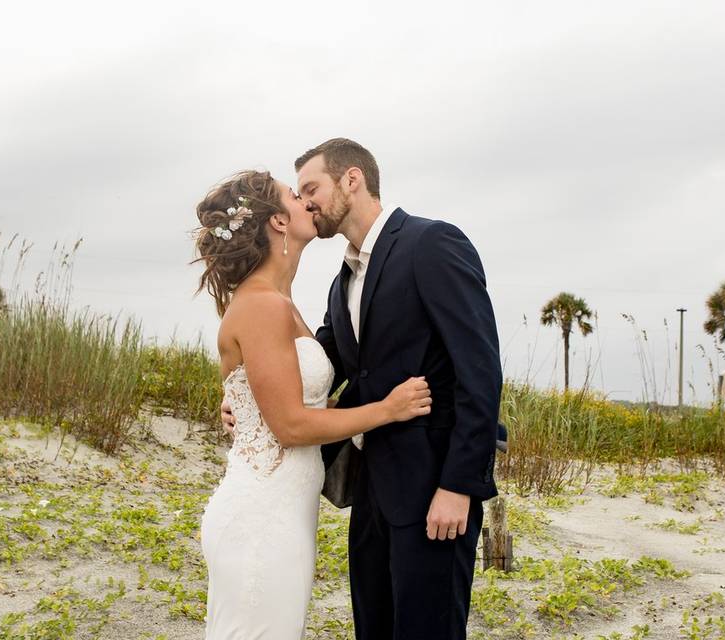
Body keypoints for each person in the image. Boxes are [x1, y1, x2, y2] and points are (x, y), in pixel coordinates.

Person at [225, 139, 503, 639]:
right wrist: (243, 400)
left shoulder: (432, 243)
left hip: (435, 493)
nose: (306, 202)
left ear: (352, 180)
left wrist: (460, 485)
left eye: (312, 189)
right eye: (300, 194)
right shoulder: (343, 280)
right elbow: (314, 366)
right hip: (372, 497)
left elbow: (479, 371)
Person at [193, 169, 432, 640]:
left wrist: (241, 406)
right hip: (262, 516)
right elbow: (291, 427)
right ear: (278, 222)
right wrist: (388, 408)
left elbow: (275, 397)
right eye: (294, 195)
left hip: (285, 511)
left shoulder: (283, 302)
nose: (307, 201)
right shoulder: (264, 305)